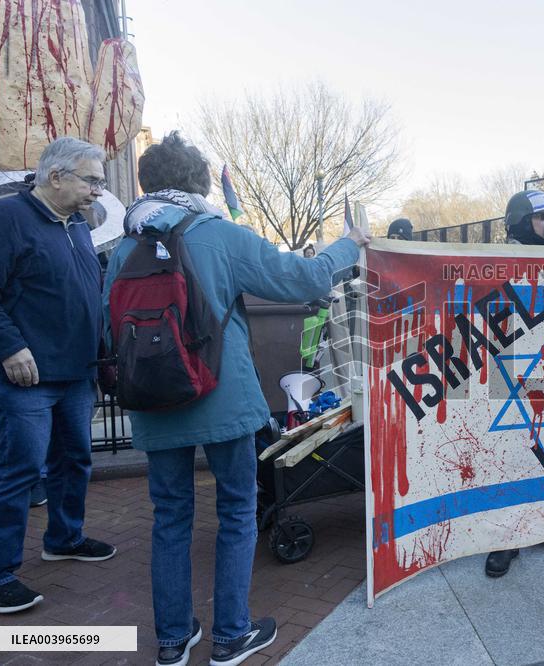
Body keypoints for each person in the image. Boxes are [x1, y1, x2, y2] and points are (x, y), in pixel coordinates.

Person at [102, 132, 370, 666]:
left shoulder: (123, 248)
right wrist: (350, 242)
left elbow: (111, 332)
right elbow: (305, 278)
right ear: (200, 183)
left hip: (154, 403)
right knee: (237, 510)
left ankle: (173, 641)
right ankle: (231, 635)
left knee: (170, 517)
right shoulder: (219, 235)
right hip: (222, 398)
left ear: (146, 182)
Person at [0, 138, 116, 614]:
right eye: (92, 180)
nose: (99, 190)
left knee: (74, 459)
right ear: (56, 177)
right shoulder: (5, 219)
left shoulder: (75, 224)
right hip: (23, 377)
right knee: (21, 470)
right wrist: (10, 347)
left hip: (75, 372)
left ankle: (63, 537)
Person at [482, 190, 544, 578]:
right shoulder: (500, 258)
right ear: (522, 221)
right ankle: (506, 540)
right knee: (511, 454)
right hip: (512, 365)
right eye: (542, 217)